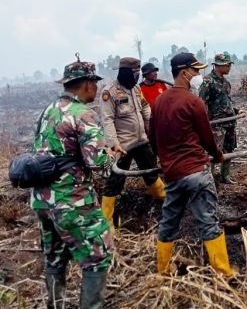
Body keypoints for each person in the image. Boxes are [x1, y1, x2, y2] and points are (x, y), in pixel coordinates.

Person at [33, 58, 115, 308]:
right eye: (95, 83)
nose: (97, 89)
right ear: (87, 84)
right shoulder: (83, 114)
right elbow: (98, 164)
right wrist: (111, 154)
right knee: (97, 258)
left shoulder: (49, 110)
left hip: (43, 200)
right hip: (73, 202)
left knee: (55, 258)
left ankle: (55, 305)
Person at [151, 52, 236, 276]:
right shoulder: (193, 101)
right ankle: (223, 273)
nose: (198, 74)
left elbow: (153, 138)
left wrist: (165, 160)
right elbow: (208, 138)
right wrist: (217, 155)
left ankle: (163, 271)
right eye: (195, 70)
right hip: (196, 172)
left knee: (169, 222)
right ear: (184, 72)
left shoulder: (159, 102)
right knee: (208, 221)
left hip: (172, 175)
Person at [99, 57, 165, 224]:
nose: (137, 76)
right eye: (134, 73)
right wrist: (114, 144)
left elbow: (144, 107)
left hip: (141, 140)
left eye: (138, 73)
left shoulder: (136, 89)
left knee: (151, 171)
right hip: (123, 145)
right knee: (115, 181)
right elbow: (107, 120)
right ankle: (106, 220)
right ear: (125, 73)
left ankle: (161, 200)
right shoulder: (110, 92)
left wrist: (152, 126)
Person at [199, 52, 242, 184]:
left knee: (229, 149)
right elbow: (202, 103)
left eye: (229, 65)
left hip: (229, 122)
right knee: (214, 151)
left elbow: (225, 101)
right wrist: (205, 122)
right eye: (227, 65)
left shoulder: (226, 83)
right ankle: (209, 179)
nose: (229, 67)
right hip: (216, 124)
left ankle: (225, 176)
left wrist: (236, 110)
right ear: (218, 66)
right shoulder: (207, 82)